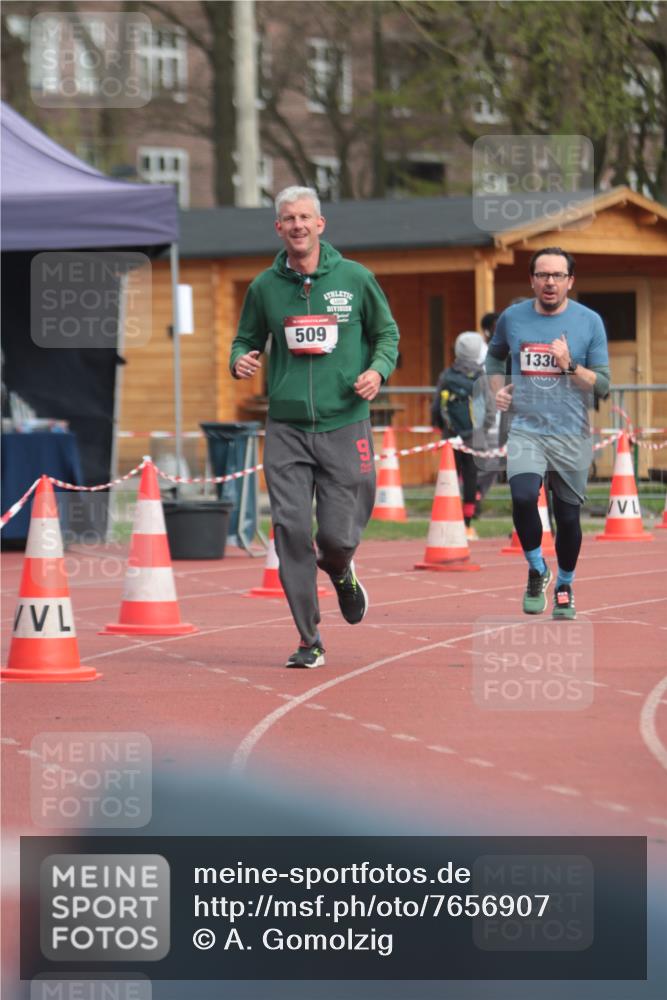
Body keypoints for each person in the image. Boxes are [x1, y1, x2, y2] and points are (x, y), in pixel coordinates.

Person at [230, 186, 399, 668]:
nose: (297, 225)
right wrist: (239, 359)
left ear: (320, 224)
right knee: (291, 529)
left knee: (337, 538)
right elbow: (244, 338)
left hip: (345, 422)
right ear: (278, 228)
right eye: (289, 218)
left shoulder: (355, 278)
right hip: (286, 427)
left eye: (305, 217)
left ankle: (341, 570)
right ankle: (309, 639)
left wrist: (377, 371)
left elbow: (386, 334)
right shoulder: (264, 287)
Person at [485, 247, 610, 619]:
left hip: (571, 433)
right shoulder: (512, 318)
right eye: (542, 275)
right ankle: (538, 568)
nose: (550, 282)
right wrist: (497, 390)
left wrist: (569, 365)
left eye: (557, 275)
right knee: (523, 497)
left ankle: (565, 584)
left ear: (570, 280)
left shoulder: (589, 322)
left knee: (567, 518)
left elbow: (603, 385)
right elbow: (494, 356)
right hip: (526, 428)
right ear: (532, 280)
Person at [431, 332, 494, 541]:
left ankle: (446, 520)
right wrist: (483, 430)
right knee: (470, 478)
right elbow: (490, 409)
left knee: (449, 477)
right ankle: (467, 524)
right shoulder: (481, 378)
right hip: (474, 436)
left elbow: (436, 406)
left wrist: (440, 427)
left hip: (451, 434)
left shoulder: (447, 375)